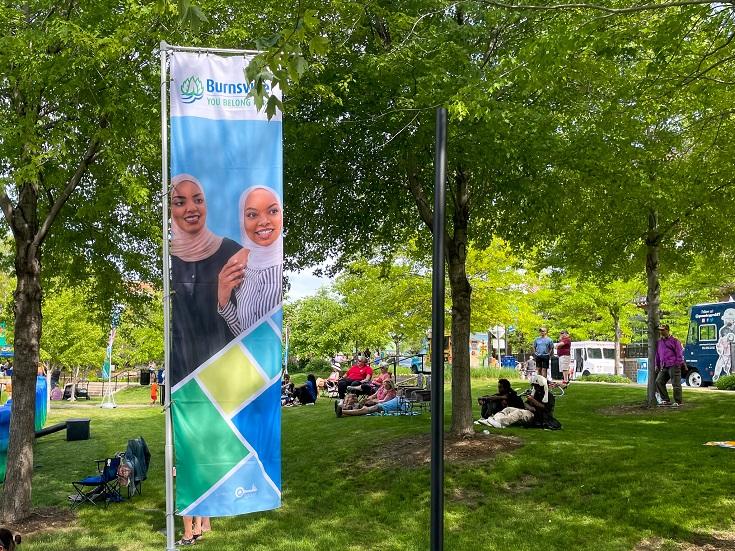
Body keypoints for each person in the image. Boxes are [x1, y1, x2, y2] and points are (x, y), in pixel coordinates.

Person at [170, 174, 243, 386]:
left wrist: (224, 300)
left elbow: (250, 320)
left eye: (198, 200)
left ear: (206, 205)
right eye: (180, 202)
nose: (191, 208)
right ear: (171, 210)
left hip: (231, 376)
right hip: (187, 379)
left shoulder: (232, 252)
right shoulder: (171, 260)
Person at [218, 186, 283, 336]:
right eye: (252, 215)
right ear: (242, 221)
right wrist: (223, 299)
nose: (264, 221)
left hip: (275, 357)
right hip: (253, 359)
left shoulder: (283, 268)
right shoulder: (242, 271)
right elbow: (243, 336)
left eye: (273, 211)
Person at [479, 374, 556, 428]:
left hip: (538, 417)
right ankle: (493, 419)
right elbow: (525, 404)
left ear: (541, 385)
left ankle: (500, 422)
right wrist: (529, 405)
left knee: (518, 413)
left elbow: (546, 408)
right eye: (534, 386)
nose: (535, 388)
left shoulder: (549, 396)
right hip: (530, 412)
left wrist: (533, 401)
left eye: (536, 386)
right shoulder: (535, 393)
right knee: (508, 409)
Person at [655, 324, 684, 407]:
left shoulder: (675, 341)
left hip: (673, 365)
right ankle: (666, 400)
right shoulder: (659, 342)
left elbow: (679, 353)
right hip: (664, 366)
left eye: (663, 330)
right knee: (659, 381)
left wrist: (677, 363)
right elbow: (657, 354)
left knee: (676, 383)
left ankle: (678, 402)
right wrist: (657, 365)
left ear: (667, 330)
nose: (661, 332)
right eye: (660, 330)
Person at [336, 388, 406, 417]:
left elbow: (403, 411)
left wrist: (387, 412)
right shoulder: (397, 398)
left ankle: (342, 411)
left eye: (399, 392)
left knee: (364, 410)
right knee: (364, 408)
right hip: (380, 405)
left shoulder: (404, 401)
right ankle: (342, 410)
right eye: (399, 392)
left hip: (381, 407)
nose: (398, 393)